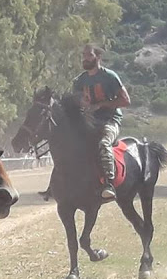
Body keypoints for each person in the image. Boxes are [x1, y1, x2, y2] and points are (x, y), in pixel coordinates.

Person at [39, 44, 130, 201]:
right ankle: (54, 185)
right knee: (69, 143)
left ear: (98, 57)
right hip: (89, 121)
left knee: (103, 143)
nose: (85, 58)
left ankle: (109, 184)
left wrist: (101, 105)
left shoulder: (110, 77)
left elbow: (126, 100)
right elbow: (77, 102)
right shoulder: (80, 80)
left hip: (110, 120)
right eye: (83, 55)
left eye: (88, 55)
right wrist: (81, 103)